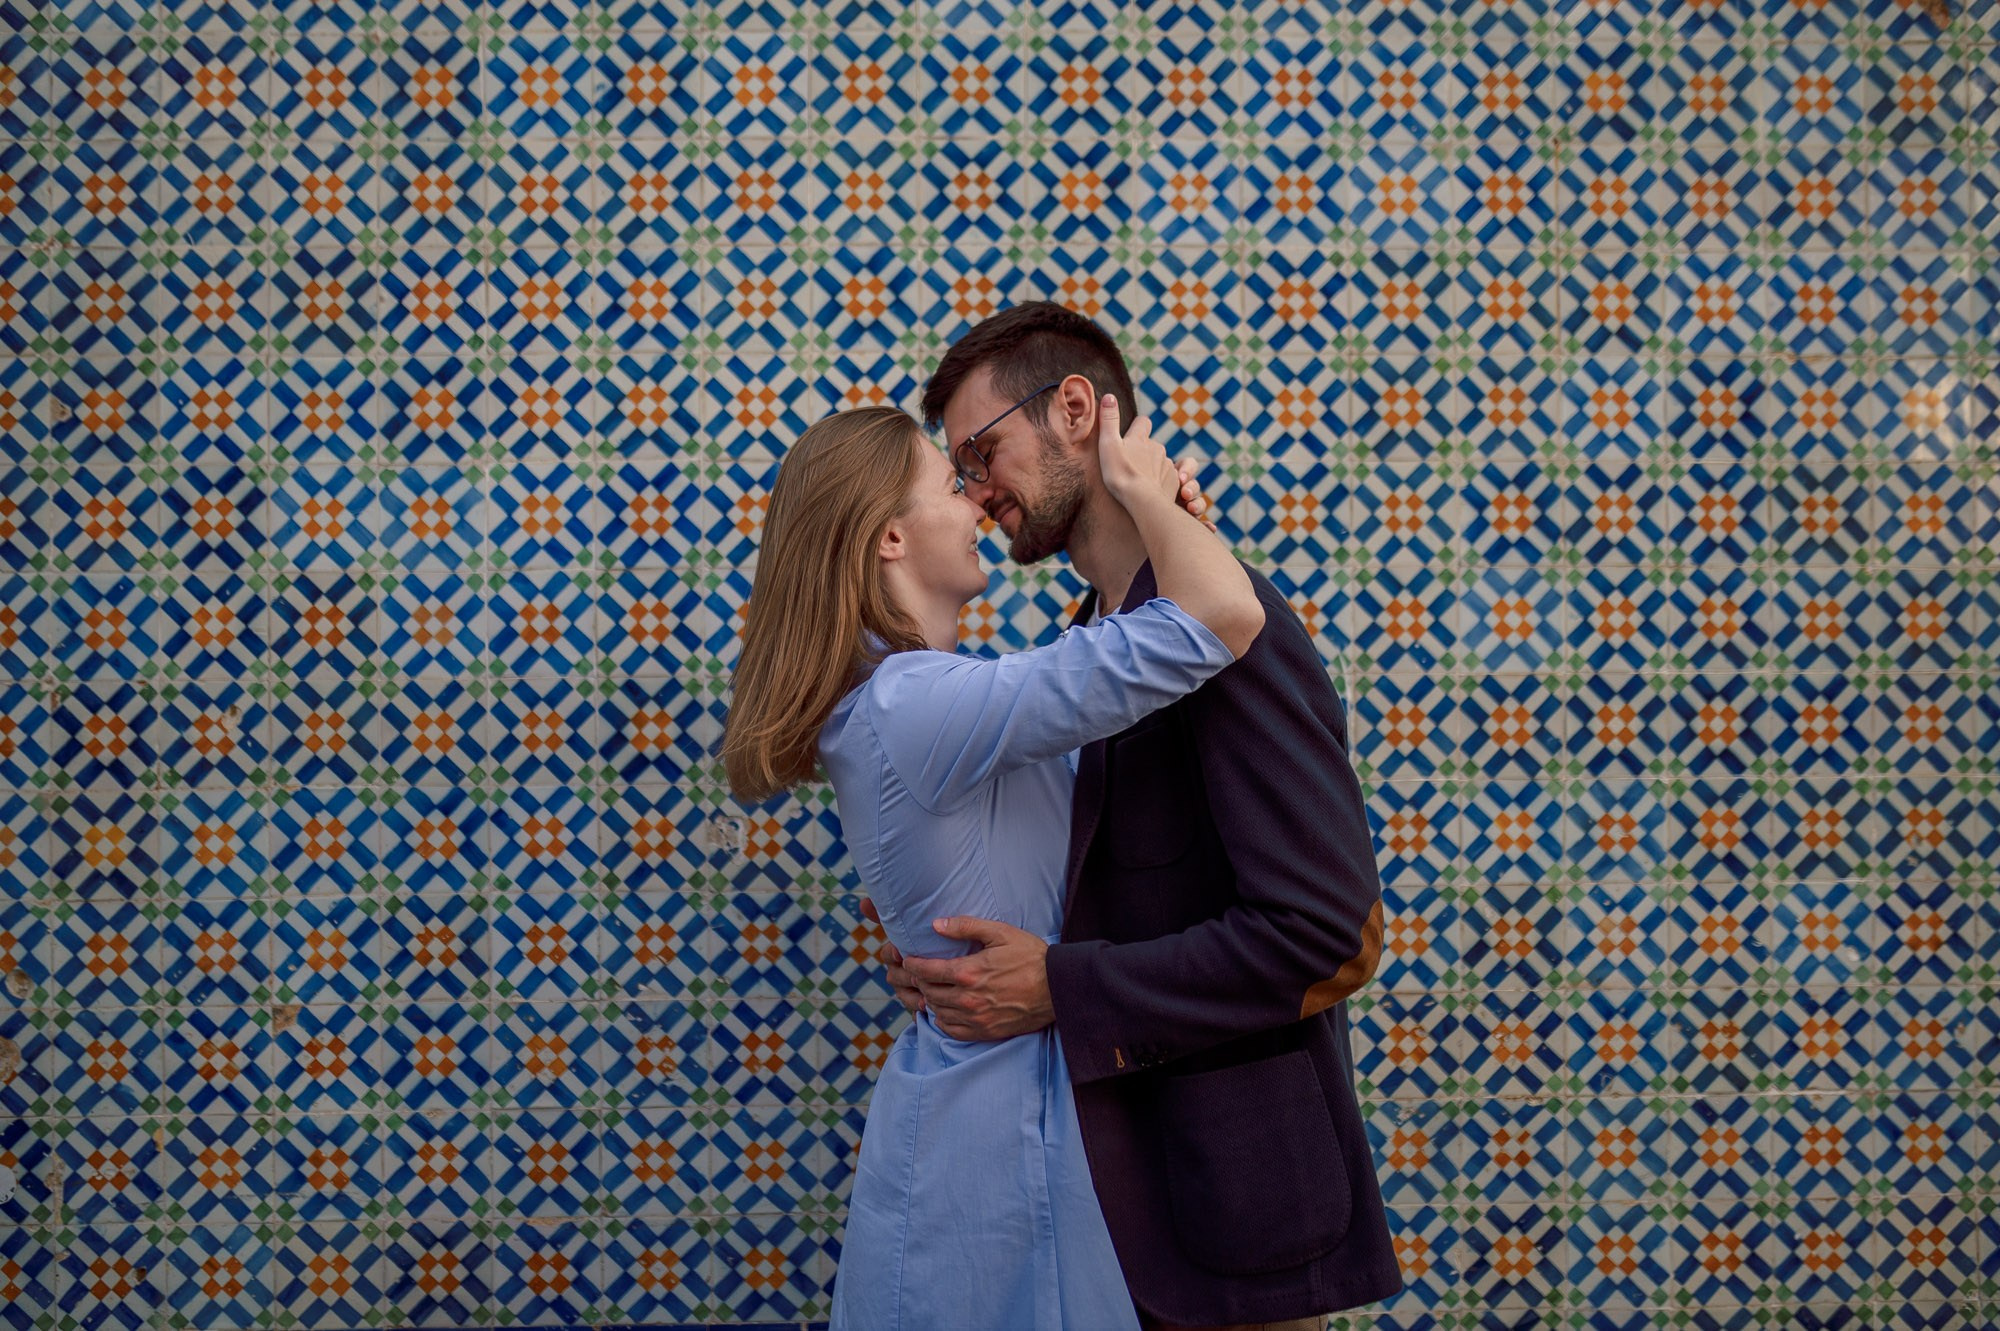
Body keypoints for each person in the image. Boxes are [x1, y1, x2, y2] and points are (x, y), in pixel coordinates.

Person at [875, 302, 1403, 1329]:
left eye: (982, 453)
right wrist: (946, 956)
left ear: (1076, 408)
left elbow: (1327, 934)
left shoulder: (1225, 624)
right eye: (960, 471)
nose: (978, 496)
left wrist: (1058, 986)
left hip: (1233, 1228)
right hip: (1103, 1215)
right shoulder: (1101, 648)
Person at [723, 396, 1266, 1330]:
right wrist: (1145, 493)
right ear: (890, 538)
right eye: (951, 482)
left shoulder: (919, 703)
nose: (978, 501)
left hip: (1019, 1113)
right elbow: (1217, 615)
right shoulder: (913, 704)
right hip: (987, 1141)